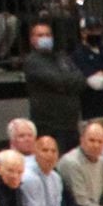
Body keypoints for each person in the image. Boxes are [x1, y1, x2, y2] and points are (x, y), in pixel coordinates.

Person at [23, 17, 85, 149]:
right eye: (40, 35)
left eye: (48, 35)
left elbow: (81, 79)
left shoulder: (62, 57)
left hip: (70, 123)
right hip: (48, 125)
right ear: (32, 39)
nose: (45, 38)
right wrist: (67, 81)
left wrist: (65, 82)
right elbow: (56, 80)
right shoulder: (32, 61)